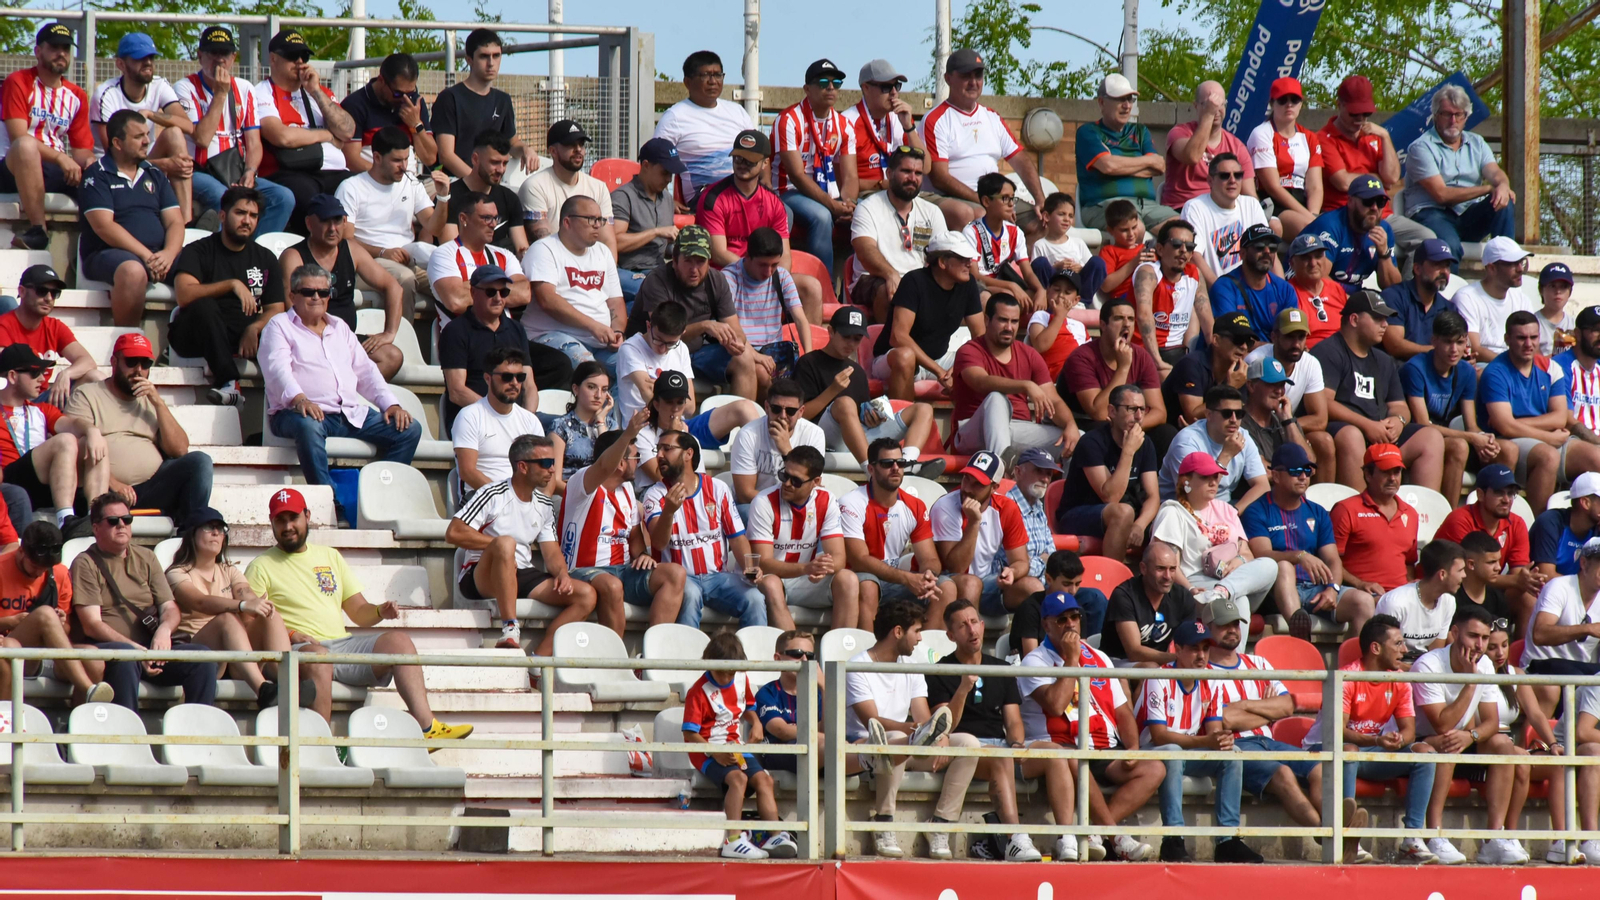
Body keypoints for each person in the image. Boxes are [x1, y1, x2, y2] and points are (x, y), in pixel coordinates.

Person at [248, 487, 471, 740]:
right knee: (319, 657)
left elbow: (357, 611)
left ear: (307, 516)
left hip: (341, 645)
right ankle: (320, 747)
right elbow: (250, 623)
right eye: (280, 520)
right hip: (299, 650)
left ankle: (428, 728)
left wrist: (379, 611)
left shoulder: (330, 556)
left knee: (399, 642)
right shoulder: (260, 566)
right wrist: (289, 634)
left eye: (293, 518)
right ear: (271, 522)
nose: (288, 526)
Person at [1202, 593, 1354, 856]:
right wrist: (1266, 710)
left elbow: (1286, 706)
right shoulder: (1201, 671)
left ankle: (1340, 833)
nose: (1232, 630)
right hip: (1236, 745)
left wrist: (1243, 706)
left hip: (1269, 741)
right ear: (1207, 628)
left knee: (1321, 767)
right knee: (1282, 773)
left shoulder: (1258, 663)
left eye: (1235, 624)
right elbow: (1224, 719)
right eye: (1224, 625)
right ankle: (1334, 836)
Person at [1017, 590, 1161, 862]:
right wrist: (1072, 660)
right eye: (1061, 620)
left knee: (1155, 768)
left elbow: (1122, 711)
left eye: (1075, 617)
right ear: (1046, 625)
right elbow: (1055, 705)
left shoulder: (1099, 657)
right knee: (1076, 757)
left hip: (1104, 746)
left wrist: (1132, 747)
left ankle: (1095, 831)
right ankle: (1116, 837)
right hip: (1061, 745)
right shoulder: (1034, 661)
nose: (1070, 624)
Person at [261, 263, 421, 491]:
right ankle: (329, 498)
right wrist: (300, 399)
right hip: (297, 413)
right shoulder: (278, 326)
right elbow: (277, 370)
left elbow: (367, 371)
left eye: (323, 292)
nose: (316, 297)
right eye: (308, 292)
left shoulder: (340, 328)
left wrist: (391, 405)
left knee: (409, 429)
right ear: (292, 296)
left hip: (348, 414)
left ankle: (378, 495)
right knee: (308, 425)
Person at [926, 599, 1060, 863]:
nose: (972, 630)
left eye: (974, 622)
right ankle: (1015, 838)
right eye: (962, 626)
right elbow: (945, 725)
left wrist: (1017, 744)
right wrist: (963, 688)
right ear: (951, 636)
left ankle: (1069, 838)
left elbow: (1013, 721)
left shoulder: (1001, 669)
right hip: (966, 748)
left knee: (1056, 754)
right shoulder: (940, 671)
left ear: (983, 625)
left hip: (1001, 746)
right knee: (1001, 757)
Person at [1301, 613, 1440, 864]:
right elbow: (1337, 732)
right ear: (1375, 648)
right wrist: (1377, 741)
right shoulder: (1346, 678)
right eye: (1398, 643)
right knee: (1349, 749)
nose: (1405, 650)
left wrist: (1399, 739)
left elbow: (1409, 730)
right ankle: (1347, 836)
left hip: (1368, 752)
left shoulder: (1399, 681)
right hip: (1324, 750)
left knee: (1425, 753)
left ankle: (1412, 839)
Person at [448, 433, 599, 655]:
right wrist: (500, 548)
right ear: (523, 467)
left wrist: (562, 574)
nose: (552, 470)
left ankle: (538, 661)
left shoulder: (544, 504)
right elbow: (453, 532)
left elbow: (552, 552)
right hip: (481, 574)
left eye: (553, 462)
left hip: (521, 572)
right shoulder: (492, 493)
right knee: (505, 544)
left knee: (586, 595)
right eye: (545, 463)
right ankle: (510, 628)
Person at [846, 598, 970, 860]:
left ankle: (940, 825)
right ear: (898, 632)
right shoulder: (857, 666)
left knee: (968, 743)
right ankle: (883, 821)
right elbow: (872, 721)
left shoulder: (911, 668)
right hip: (869, 748)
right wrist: (918, 732)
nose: (921, 638)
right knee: (894, 736)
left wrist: (939, 735)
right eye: (917, 631)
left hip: (910, 746)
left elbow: (923, 718)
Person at [68, 493, 217, 711]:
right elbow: (92, 624)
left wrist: (164, 631)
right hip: (114, 651)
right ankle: (128, 728)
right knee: (125, 657)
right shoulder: (85, 563)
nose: (121, 525)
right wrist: (135, 650)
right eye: (113, 521)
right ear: (96, 528)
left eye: (127, 519)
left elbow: (169, 607)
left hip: (150, 648)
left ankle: (198, 727)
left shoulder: (146, 557)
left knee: (203, 658)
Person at [165, 506, 319, 714]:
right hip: (200, 653)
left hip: (235, 655)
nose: (216, 533)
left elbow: (244, 593)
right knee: (227, 619)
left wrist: (255, 604)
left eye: (221, 529)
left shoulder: (230, 570)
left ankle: (287, 682)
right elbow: (199, 602)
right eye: (209, 527)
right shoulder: (177, 572)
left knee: (270, 614)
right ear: (192, 533)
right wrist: (242, 605)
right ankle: (262, 689)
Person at [1411, 605, 1528, 865]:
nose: (1479, 645)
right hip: (1420, 742)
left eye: (1485, 638)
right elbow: (1442, 724)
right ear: (1454, 633)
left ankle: (1493, 838)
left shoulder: (1484, 663)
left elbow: (1492, 722)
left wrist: (1471, 735)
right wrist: (1471, 681)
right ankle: (1434, 834)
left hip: (1462, 738)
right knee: (1449, 740)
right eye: (1473, 636)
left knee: (1503, 744)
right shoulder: (1428, 665)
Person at [1141, 617, 1261, 863]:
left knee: (1232, 755)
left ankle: (1227, 841)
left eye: (1205, 649)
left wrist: (1221, 740)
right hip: (1152, 751)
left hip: (1187, 750)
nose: (1201, 655)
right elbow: (1159, 736)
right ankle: (1173, 839)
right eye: (1194, 648)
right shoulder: (1158, 677)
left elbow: (1213, 731)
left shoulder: (1212, 677)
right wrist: (1207, 741)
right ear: (1177, 650)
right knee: (1172, 751)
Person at [63, 332, 213, 528]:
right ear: (114, 362)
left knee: (200, 462)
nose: (138, 370)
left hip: (150, 488)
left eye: (146, 364)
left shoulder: (150, 400)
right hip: (105, 491)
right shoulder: (87, 395)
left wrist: (159, 404)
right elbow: (74, 450)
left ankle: (191, 534)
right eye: (131, 362)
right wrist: (112, 482)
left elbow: (179, 450)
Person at [1311, 289, 1445, 491]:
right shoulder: (1327, 351)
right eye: (1377, 319)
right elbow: (1324, 402)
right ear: (1354, 320)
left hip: (1380, 433)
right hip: (1347, 432)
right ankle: (1358, 509)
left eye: (1386, 319)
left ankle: (1422, 510)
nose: (1385, 325)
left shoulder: (1383, 359)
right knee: (1352, 435)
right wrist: (1367, 425)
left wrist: (1398, 421)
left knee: (1431, 437)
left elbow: (1399, 405)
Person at [563, 415, 689, 630]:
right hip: (583, 570)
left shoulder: (628, 489)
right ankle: (616, 652)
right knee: (612, 586)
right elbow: (604, 466)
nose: (639, 462)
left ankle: (654, 648)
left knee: (675, 574)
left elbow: (635, 538)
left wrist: (642, 556)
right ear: (620, 462)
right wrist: (629, 433)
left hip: (623, 570)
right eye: (635, 457)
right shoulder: (582, 482)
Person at [1242, 442, 1376, 641]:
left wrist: (1332, 589)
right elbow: (1262, 554)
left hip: (1315, 589)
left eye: (1307, 470)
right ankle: (1300, 633)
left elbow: (1332, 559)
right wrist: (1299, 556)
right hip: (1275, 592)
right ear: (1276, 476)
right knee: (1284, 566)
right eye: (1295, 471)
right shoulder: (1257, 510)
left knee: (1363, 602)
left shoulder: (1318, 511)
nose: (1303, 476)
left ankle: (1352, 660)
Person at [170, 186, 284, 407]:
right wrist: (231, 285)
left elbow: (276, 308)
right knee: (204, 306)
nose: (247, 221)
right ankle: (229, 383)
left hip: (242, 334)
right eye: (240, 213)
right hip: (197, 332)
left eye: (253, 216)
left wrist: (255, 328)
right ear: (222, 215)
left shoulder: (265, 258)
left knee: (287, 328)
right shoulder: (198, 250)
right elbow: (184, 295)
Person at [1482, 617, 1582, 866]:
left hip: (1512, 747)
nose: (1500, 653)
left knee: (1558, 764)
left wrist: (1553, 744)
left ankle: (1560, 840)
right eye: (1492, 647)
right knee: (1519, 760)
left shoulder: (1516, 674)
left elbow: (1536, 714)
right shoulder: (1475, 674)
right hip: (1485, 746)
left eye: (1504, 645)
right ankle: (1504, 835)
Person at [795, 306, 942, 475]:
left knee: (923, 409)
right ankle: (872, 472)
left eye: (857, 339)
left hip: (858, 438)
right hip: (823, 437)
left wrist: (872, 417)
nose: (851, 344)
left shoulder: (857, 371)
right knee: (844, 403)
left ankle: (906, 465)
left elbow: (860, 418)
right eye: (846, 336)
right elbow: (799, 416)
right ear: (831, 332)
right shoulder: (808, 363)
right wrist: (832, 391)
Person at [175, 26, 294, 234]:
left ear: (233, 58)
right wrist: (221, 94)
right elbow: (202, 138)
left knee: (283, 197)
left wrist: (250, 172)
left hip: (234, 170)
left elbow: (254, 142)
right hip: (198, 170)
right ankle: (220, 250)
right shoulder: (185, 87)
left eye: (225, 53)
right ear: (200, 56)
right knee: (225, 198)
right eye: (213, 53)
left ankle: (253, 249)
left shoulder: (245, 87)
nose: (219, 60)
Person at [682, 631, 789, 860]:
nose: (725, 678)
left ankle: (775, 836)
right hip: (705, 750)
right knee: (738, 779)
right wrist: (715, 753)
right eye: (721, 672)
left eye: (730, 672)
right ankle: (733, 840)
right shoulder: (698, 691)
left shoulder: (741, 677)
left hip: (735, 746)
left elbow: (749, 708)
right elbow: (689, 733)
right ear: (709, 663)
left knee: (764, 780)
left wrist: (757, 723)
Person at [1479, 310, 1600, 512]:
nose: (1528, 344)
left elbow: (1560, 417)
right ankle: (1538, 525)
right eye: (1521, 338)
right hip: (1511, 439)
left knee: (1597, 457)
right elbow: (1505, 428)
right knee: (1547, 456)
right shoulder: (1495, 372)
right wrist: (1548, 436)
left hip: (1543, 435)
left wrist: (1516, 422)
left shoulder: (1550, 367)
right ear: (1507, 339)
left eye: (1533, 337)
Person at [643, 430, 766, 627]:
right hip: (680, 580)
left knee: (755, 599)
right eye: (657, 450)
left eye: (667, 449)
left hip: (718, 578)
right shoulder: (655, 494)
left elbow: (737, 538)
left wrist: (749, 567)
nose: (659, 455)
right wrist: (669, 511)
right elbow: (658, 543)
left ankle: (755, 648)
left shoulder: (718, 488)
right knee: (690, 595)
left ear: (688, 454)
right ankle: (688, 648)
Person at [628, 227, 768, 400]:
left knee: (744, 358)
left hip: (696, 352)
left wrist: (734, 341)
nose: (694, 269)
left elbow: (736, 330)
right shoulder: (657, 281)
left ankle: (741, 416)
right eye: (688, 261)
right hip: (657, 352)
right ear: (674, 260)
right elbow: (664, 334)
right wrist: (704, 326)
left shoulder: (716, 280)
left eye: (701, 261)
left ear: (709, 261)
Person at [278, 193, 406, 380]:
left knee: (392, 357)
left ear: (345, 221)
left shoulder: (352, 249)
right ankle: (339, 389)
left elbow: (393, 286)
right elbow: (292, 310)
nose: (332, 228)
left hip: (346, 340)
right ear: (309, 223)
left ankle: (346, 392)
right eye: (325, 221)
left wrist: (389, 333)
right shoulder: (293, 256)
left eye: (337, 220)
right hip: (308, 340)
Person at [77, 110, 185, 327]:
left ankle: (189, 336)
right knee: (133, 271)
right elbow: (104, 227)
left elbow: (175, 221)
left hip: (157, 254)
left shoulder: (154, 173)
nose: (147, 141)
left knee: (203, 263)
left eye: (147, 134)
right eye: (138, 137)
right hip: (107, 253)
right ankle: (128, 339)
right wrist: (147, 256)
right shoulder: (97, 175)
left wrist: (168, 254)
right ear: (117, 143)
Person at [920, 49, 1045, 233]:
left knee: (1044, 219)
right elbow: (940, 178)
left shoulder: (992, 117)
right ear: (948, 78)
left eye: (978, 75)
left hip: (995, 199)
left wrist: (1040, 199)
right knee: (981, 215)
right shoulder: (935, 119)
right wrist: (985, 201)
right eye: (966, 76)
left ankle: (1020, 253)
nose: (973, 82)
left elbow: (1020, 159)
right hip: (953, 199)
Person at [840, 438, 958, 631]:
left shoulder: (915, 505)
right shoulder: (851, 502)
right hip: (860, 578)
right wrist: (906, 578)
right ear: (871, 469)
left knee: (945, 587)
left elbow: (929, 558)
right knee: (869, 585)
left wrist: (928, 574)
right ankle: (868, 650)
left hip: (894, 580)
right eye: (887, 463)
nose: (895, 468)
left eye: (900, 463)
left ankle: (926, 649)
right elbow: (859, 560)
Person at [1152, 452, 1288, 616]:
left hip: (1233, 581)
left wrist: (1239, 560)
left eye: (1216, 477)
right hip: (1195, 584)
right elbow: (1170, 564)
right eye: (1205, 477)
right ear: (1186, 481)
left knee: (1270, 565)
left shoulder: (1226, 509)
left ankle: (1222, 592)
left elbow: (1246, 553)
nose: (1213, 482)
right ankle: (1222, 594)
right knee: (1240, 601)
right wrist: (1191, 589)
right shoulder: (1172, 512)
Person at [1, 23, 94, 251]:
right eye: (54, 47)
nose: (61, 53)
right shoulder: (18, 81)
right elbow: (18, 137)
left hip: (52, 168)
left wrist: (91, 163)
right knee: (26, 146)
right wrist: (61, 158)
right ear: (38, 51)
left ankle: (92, 248)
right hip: (12, 165)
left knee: (96, 176)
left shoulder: (77, 95)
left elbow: (82, 151)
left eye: (66, 48)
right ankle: (38, 231)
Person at [951, 295, 1080, 458]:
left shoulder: (1029, 354)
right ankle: (999, 470)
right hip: (975, 432)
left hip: (1018, 430)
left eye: (1014, 321)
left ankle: (1006, 462)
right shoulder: (970, 350)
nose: (1009, 327)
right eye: (1003, 320)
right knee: (996, 398)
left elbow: (1053, 400)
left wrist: (1070, 424)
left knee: (1078, 439)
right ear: (987, 320)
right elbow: (980, 382)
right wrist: (1025, 385)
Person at [439, 263, 561, 435]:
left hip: (515, 417)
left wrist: (526, 419)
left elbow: (529, 385)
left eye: (503, 292)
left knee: (564, 428)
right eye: (490, 292)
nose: (498, 298)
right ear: (473, 293)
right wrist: (498, 415)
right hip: (473, 417)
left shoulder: (516, 329)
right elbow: (457, 392)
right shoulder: (455, 331)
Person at [1400, 309, 1508, 502]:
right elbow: (1422, 424)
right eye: (1448, 342)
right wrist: (1472, 438)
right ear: (1434, 341)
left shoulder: (1466, 371)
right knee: (1459, 446)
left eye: (1460, 342)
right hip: (1414, 435)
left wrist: (1483, 438)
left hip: (1443, 433)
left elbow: (1471, 425)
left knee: (1504, 449)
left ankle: (1470, 511)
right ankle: (1445, 510)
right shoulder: (1415, 368)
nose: (1454, 350)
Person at [0, 343, 109, 534]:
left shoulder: (42, 410)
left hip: (39, 479)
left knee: (93, 441)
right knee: (65, 441)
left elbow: (72, 424)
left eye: (43, 372)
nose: (42, 379)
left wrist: (92, 431)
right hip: (9, 480)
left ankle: (97, 516)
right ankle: (65, 520)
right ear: (12, 376)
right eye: (35, 373)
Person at [1402, 83, 1517, 264]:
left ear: (1466, 117)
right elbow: (1441, 195)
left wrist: (1503, 186)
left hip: (1466, 215)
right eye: (1447, 114)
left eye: (1459, 114)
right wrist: (1489, 189)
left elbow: (1495, 172)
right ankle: (1448, 283)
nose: (1453, 120)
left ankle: (1507, 266)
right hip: (1431, 213)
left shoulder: (1477, 142)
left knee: (1504, 202)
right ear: (1435, 115)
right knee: (1448, 246)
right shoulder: (1421, 147)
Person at [252, 29, 355, 226]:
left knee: (360, 188)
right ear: (273, 59)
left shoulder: (319, 92)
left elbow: (347, 130)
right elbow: (282, 137)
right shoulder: (262, 92)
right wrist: (326, 134)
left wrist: (315, 91)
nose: (300, 62)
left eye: (304, 56)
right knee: (312, 201)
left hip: (334, 170)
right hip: (289, 171)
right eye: (292, 56)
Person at [0, 522, 110, 707]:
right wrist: (10, 621)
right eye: (35, 566)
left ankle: (80, 719)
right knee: (43, 615)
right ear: (21, 551)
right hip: (11, 647)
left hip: (48, 654)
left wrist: (61, 622)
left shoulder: (59, 572)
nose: (39, 572)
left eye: (45, 568)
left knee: (94, 659)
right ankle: (88, 688)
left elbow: (66, 630)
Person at [749, 446, 858, 631]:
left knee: (848, 579)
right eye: (784, 475)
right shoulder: (764, 502)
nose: (787, 483)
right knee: (771, 583)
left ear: (816, 482)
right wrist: (806, 568)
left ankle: (839, 648)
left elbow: (839, 558)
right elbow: (764, 563)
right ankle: (795, 647)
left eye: (796, 481)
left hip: (806, 579)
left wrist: (822, 569)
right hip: (774, 578)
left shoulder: (826, 500)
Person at [91, 32, 193, 224]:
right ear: (121, 64)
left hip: (147, 160)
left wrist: (152, 114)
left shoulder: (159, 85)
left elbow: (188, 126)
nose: (147, 63)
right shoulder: (106, 94)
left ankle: (187, 224)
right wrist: (165, 165)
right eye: (139, 58)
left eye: (151, 57)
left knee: (174, 133)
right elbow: (114, 156)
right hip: (112, 171)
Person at [868, 232, 985, 401]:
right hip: (892, 359)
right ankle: (902, 416)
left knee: (985, 359)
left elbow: (980, 337)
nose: (969, 263)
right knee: (905, 357)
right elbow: (898, 337)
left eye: (969, 258)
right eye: (962, 258)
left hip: (939, 357)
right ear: (942, 262)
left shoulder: (968, 284)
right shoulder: (914, 281)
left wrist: (958, 366)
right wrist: (940, 372)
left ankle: (970, 419)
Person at [334, 125, 441, 305]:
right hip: (368, 263)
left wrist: (443, 198)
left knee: (451, 281)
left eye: (407, 159)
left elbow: (434, 228)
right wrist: (383, 252)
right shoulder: (351, 187)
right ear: (377, 157)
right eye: (397, 160)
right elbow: (345, 240)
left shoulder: (411, 183)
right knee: (405, 278)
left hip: (408, 259)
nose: (404, 167)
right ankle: (401, 326)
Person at [931, 451, 1045, 618]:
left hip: (988, 582)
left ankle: (1032, 635)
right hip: (949, 583)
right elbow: (956, 567)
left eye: (978, 484)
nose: (967, 488)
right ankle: (971, 634)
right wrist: (974, 523)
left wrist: (1013, 572)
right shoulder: (945, 506)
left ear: (994, 487)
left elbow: (1021, 561)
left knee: (1033, 587)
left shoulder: (1006, 508)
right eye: (966, 479)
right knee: (971, 583)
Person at [771, 58, 857, 275]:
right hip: (788, 190)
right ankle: (823, 284)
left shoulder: (844, 125)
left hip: (827, 192)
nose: (831, 87)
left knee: (868, 211)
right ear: (807, 89)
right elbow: (797, 175)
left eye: (836, 83)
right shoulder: (789, 119)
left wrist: (848, 204)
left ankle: (859, 281)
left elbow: (850, 176)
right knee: (821, 216)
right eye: (823, 82)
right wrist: (832, 205)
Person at [523, 195, 626, 373]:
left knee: (631, 370)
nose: (597, 225)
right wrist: (593, 326)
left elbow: (615, 301)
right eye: (590, 219)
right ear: (567, 222)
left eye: (600, 220)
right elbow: (547, 300)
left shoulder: (603, 252)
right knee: (590, 371)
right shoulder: (544, 249)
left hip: (600, 342)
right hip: (550, 336)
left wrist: (617, 332)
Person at [1057, 384, 1160, 558]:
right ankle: (1114, 574)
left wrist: (1139, 525)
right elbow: (1110, 497)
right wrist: (1128, 452)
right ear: (1112, 411)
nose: (1139, 417)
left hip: (1125, 512)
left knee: (1170, 514)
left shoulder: (1146, 444)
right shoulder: (1091, 442)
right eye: (1131, 409)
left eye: (1143, 409)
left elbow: (1153, 496)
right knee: (1123, 512)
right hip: (1078, 514)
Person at [848, 146, 949, 322]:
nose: (913, 178)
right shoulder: (867, 208)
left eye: (918, 173)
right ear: (889, 173)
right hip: (873, 278)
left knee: (970, 293)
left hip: (918, 281)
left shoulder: (932, 212)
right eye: (906, 171)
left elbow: (944, 254)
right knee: (890, 291)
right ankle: (889, 340)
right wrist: (890, 274)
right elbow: (865, 251)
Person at [1059, 298, 1175, 442]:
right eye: (1119, 318)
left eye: (1131, 319)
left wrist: (1131, 426)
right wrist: (1123, 367)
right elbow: (1099, 413)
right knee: (1105, 432)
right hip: (1086, 422)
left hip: (1126, 421)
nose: (1126, 324)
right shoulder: (1082, 357)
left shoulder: (1142, 356)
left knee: (1166, 433)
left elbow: (1159, 412)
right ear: (1103, 325)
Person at [1433, 464, 1541, 612]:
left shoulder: (1517, 523)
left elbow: (1519, 575)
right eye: (1498, 492)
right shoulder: (1460, 520)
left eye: (1511, 493)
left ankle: (1511, 629)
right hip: (1449, 588)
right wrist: (1516, 580)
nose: (1506, 500)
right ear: (1480, 494)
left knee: (1527, 597)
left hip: (1485, 589)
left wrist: (1525, 580)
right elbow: (1468, 575)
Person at [1074, 73, 1175, 231]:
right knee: (1134, 228)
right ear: (1101, 102)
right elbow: (1108, 166)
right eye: (1120, 99)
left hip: (1147, 206)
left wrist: (1117, 165)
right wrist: (1147, 161)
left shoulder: (1140, 131)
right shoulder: (1088, 132)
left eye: (1130, 99)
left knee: (1183, 230)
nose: (1127, 105)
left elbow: (1159, 166)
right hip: (1105, 206)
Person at [652, 50, 754, 204]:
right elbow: (656, 161)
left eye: (718, 75)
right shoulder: (674, 117)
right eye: (705, 75)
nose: (713, 81)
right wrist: (666, 201)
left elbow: (758, 153)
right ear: (688, 82)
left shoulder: (738, 112)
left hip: (745, 191)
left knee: (781, 210)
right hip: (704, 197)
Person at [1244, 308, 1336, 479]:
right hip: (1257, 426)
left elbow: (1310, 462)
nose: (1296, 344)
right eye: (1289, 337)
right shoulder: (1255, 361)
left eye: (1301, 337)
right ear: (1274, 337)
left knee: (1323, 441)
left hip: (1280, 421)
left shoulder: (1310, 364)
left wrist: (1287, 423)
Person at [632, 371, 758, 494]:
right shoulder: (643, 435)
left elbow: (699, 479)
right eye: (669, 402)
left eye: (680, 402)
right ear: (657, 404)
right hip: (654, 492)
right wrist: (674, 435)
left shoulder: (690, 438)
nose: (675, 409)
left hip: (687, 494)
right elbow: (660, 477)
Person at [432, 29, 535, 178]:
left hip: (489, 183)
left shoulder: (503, 100)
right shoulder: (449, 98)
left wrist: (526, 150)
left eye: (496, 56)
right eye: (484, 56)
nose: (491, 63)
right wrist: (476, 182)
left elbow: (512, 144)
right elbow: (446, 156)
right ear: (469, 60)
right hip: (454, 183)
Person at [0, 265, 100, 405]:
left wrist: (66, 373)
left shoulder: (55, 326)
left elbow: (88, 361)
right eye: (41, 291)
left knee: (95, 377)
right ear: (22, 291)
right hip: (14, 402)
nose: (48, 298)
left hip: (44, 400)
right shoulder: (4, 325)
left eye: (55, 293)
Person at [428, 188, 528, 328]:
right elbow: (456, 301)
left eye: (496, 218)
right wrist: (503, 287)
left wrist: (472, 287)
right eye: (486, 218)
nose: (493, 224)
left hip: (504, 335)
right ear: (464, 219)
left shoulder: (504, 255)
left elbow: (524, 293)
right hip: (465, 336)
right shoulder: (444, 254)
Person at [451, 346, 544, 495]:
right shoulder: (469, 416)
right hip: (481, 496)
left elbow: (541, 468)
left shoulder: (530, 421)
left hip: (523, 497)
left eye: (520, 377)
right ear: (488, 379)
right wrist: (506, 497)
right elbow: (467, 472)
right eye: (507, 377)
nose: (514, 383)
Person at [695, 130, 793, 268]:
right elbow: (718, 254)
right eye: (738, 158)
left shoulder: (774, 203)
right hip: (724, 273)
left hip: (762, 272)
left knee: (809, 281)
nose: (742, 164)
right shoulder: (713, 198)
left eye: (750, 161)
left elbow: (785, 255)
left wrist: (777, 277)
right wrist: (753, 271)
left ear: (765, 163)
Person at [1158, 385, 1268, 508]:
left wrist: (1234, 512)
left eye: (1239, 414)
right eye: (1227, 414)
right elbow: (1193, 494)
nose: (1234, 420)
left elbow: (1262, 486)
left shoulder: (1242, 435)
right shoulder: (1187, 442)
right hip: (1182, 509)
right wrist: (1226, 455)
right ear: (1209, 414)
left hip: (1225, 506)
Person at [1333, 443, 1421, 594]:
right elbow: (1329, 560)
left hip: (1400, 596)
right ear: (1368, 475)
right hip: (1362, 595)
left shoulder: (1411, 513)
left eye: (1397, 472)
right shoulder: (1346, 510)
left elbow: (1409, 563)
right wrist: (1360, 584)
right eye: (1386, 472)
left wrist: (1410, 588)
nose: (1392, 478)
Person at [519, 120, 616, 258]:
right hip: (554, 263)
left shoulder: (599, 187)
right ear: (553, 151)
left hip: (592, 264)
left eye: (581, 144)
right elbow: (543, 243)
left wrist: (609, 270)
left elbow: (608, 241)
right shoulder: (535, 186)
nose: (578, 149)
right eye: (570, 144)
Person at [1246, 77, 1323, 241]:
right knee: (1310, 231)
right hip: (1274, 202)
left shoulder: (1309, 137)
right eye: (1282, 100)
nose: (1289, 105)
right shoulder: (1261, 133)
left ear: (1301, 104)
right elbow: (1273, 187)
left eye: (1294, 100)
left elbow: (1315, 186)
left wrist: (1313, 214)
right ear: (1272, 104)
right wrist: (1310, 219)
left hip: (1302, 200)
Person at [729, 378, 826, 507]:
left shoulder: (814, 434)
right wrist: (780, 510)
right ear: (767, 407)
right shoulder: (748, 434)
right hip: (756, 505)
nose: (783, 416)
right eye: (776, 409)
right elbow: (745, 494)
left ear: (801, 412)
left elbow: (811, 486)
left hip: (795, 506)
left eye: (790, 411)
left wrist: (787, 452)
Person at [722, 226, 815, 360]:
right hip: (741, 351)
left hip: (774, 351)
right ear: (747, 256)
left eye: (774, 265)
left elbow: (800, 319)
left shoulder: (782, 276)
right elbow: (731, 328)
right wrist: (756, 356)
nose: (769, 272)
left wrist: (808, 356)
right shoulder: (729, 277)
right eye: (763, 265)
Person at [1162, 80, 1256, 209]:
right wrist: (1208, 115)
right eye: (1209, 104)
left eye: (1220, 104)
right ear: (1196, 106)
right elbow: (1192, 157)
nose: (1215, 109)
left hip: (1222, 210)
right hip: (1183, 208)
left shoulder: (1237, 147)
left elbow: (1250, 195)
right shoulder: (1179, 133)